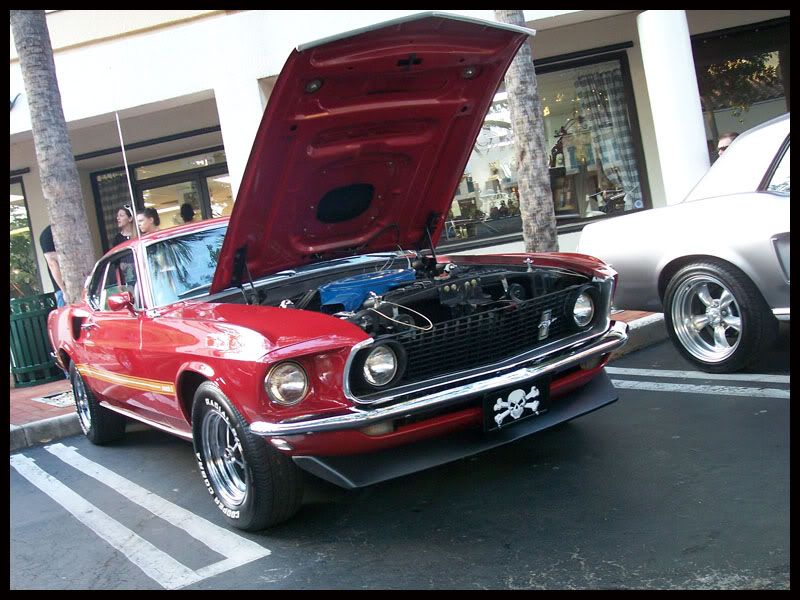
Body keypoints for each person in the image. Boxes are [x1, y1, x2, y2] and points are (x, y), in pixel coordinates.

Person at [39, 224, 66, 307]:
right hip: (63, 289)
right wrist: (64, 290)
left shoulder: (47, 234)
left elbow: (52, 264)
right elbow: (53, 264)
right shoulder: (48, 234)